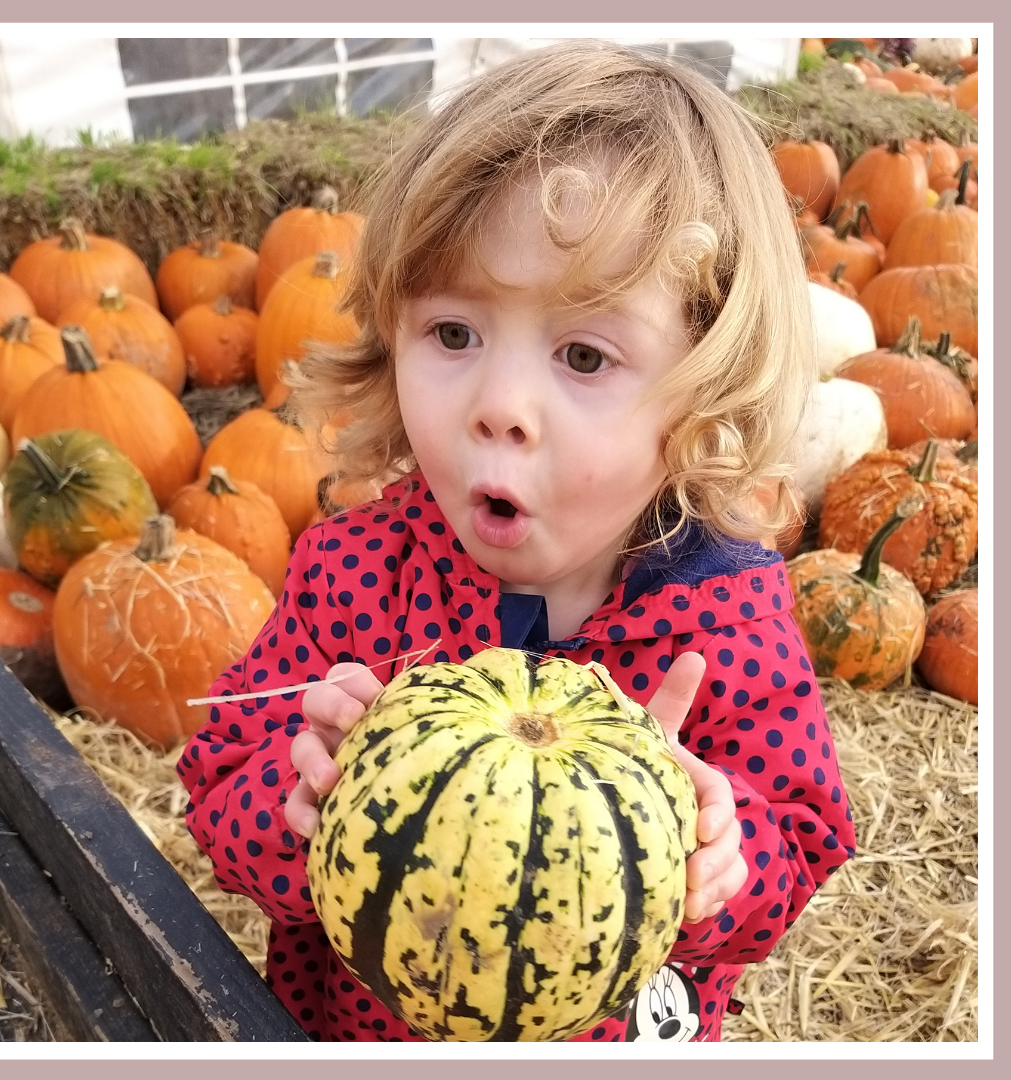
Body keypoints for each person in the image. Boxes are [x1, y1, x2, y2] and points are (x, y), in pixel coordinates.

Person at [178, 39, 856, 1043]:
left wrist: (720, 850)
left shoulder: (728, 622)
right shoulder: (356, 576)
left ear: (704, 395)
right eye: (453, 334)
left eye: (584, 354)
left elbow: (803, 837)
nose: (500, 407)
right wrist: (300, 798)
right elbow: (212, 788)